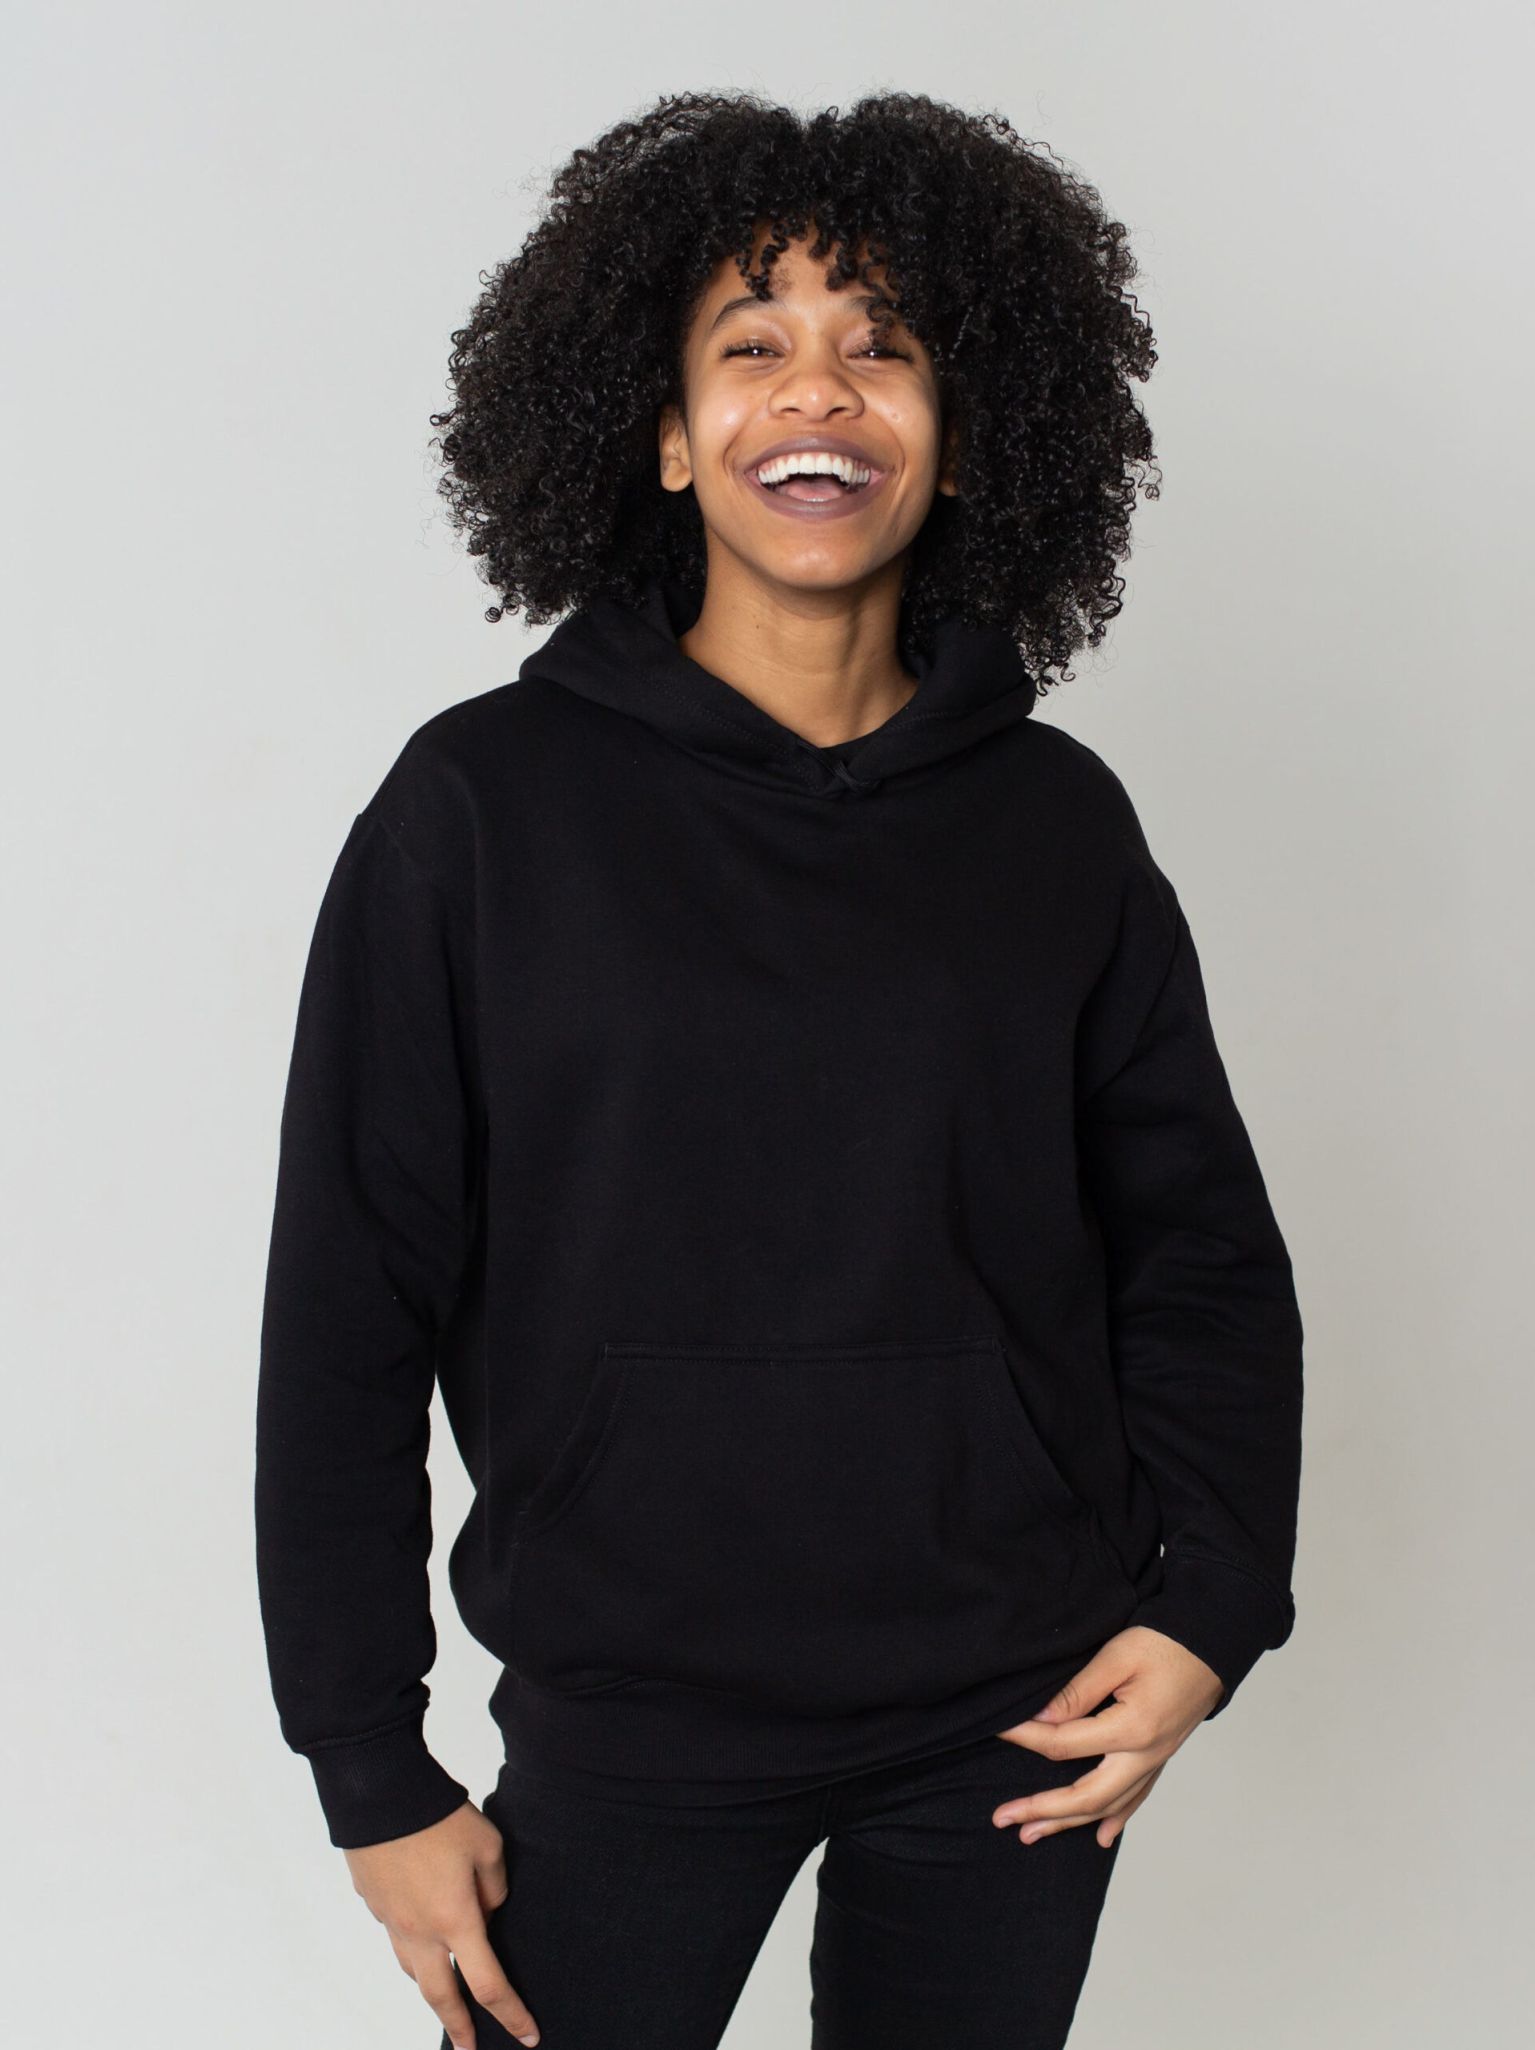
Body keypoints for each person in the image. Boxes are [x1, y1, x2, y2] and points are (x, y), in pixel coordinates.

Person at [254, 88, 1304, 2050]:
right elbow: (346, 1304)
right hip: (631, 1713)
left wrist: (1212, 1601)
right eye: (752, 344)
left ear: (963, 433)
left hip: (1013, 1714)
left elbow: (1199, 1255)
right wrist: (367, 1762)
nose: (817, 388)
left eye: (881, 345)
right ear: (665, 431)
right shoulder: (479, 810)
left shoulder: (1055, 825)